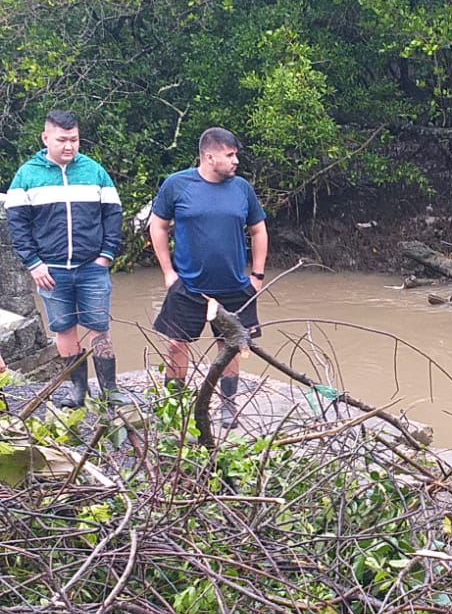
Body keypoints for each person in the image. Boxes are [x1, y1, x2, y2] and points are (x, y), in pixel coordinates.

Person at [148, 127, 268, 428]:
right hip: (188, 285)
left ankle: (228, 407)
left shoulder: (242, 189)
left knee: (230, 346)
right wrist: (168, 272)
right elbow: (158, 226)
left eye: (235, 154)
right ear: (209, 156)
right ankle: (174, 408)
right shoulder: (177, 185)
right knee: (176, 344)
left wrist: (257, 275)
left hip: (234, 286)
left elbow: (259, 230)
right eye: (230, 155)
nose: (236, 161)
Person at [5, 109, 123, 407]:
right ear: (46, 138)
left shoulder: (95, 171)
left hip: (92, 267)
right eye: (62, 140)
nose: (69, 146)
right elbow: (17, 224)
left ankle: (110, 391)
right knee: (63, 329)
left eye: (74, 139)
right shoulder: (27, 175)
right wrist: (33, 263)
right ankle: (78, 391)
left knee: (99, 327)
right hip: (50, 270)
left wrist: (106, 254)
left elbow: (113, 214)